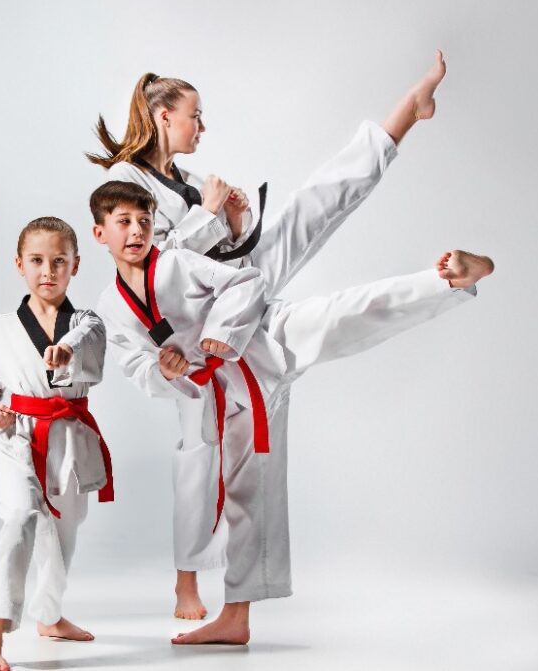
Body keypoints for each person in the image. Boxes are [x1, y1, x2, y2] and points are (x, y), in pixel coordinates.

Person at [87, 53, 455, 619]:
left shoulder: (183, 180)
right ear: (163, 115)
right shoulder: (127, 186)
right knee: (227, 467)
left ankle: (402, 117)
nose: (201, 127)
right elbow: (157, 271)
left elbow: (203, 255)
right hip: (203, 328)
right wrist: (211, 216)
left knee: (311, 206)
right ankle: (442, 280)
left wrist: (232, 221)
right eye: (194, 115)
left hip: (233, 293)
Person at [89, 180, 493, 643]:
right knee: (244, 498)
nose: (136, 231)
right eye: (123, 223)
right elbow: (136, 365)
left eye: (144, 221)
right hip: (228, 397)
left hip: (264, 342)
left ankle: (448, 280)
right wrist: (165, 369)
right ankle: (235, 618)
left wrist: (222, 332)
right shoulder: (110, 306)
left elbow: (245, 280)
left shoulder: (176, 262)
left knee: (343, 315)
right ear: (100, 233)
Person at [0, 218, 110, 671]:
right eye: (37, 261)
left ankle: (48, 616)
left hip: (67, 434)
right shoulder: (2, 328)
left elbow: (87, 342)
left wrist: (65, 349)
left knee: (63, 534)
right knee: (21, 515)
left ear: (75, 266)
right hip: (16, 436)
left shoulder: (86, 322)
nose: (48, 271)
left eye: (59, 261)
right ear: (19, 265)